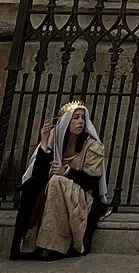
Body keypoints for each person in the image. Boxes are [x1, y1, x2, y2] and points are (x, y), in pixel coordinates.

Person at [9, 101, 111, 260]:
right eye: (75, 118)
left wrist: (67, 172)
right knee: (34, 186)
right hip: (54, 190)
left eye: (82, 118)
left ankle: (54, 246)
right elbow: (39, 174)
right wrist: (44, 142)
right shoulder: (56, 140)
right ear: (66, 122)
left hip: (83, 196)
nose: (80, 122)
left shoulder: (92, 146)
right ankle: (28, 245)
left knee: (57, 181)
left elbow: (92, 180)